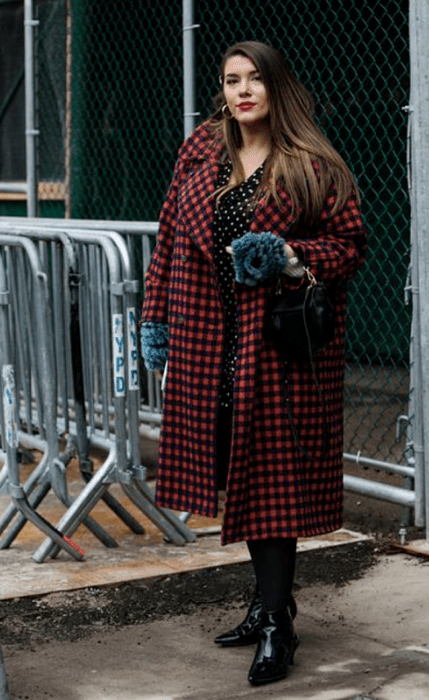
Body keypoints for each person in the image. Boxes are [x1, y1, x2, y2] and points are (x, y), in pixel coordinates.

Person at [140, 40, 366, 687]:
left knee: (269, 481)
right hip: (207, 341)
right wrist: (154, 323)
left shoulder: (311, 164)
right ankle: (273, 601)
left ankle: (275, 624)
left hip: (277, 349)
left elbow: (349, 245)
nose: (242, 91)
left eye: (254, 80)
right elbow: (166, 239)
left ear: (276, 88)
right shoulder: (200, 152)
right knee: (237, 475)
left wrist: (289, 257)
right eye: (231, 80)